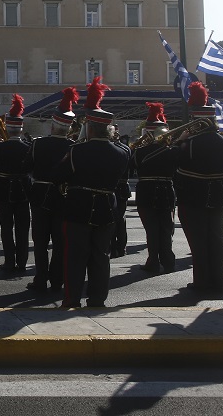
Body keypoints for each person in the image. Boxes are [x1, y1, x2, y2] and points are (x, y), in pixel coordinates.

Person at [55, 77, 130, 308]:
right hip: (107, 208)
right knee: (101, 256)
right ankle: (98, 299)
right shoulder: (122, 152)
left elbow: (60, 176)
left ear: (89, 126)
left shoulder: (77, 150)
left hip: (79, 206)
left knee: (75, 257)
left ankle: (72, 298)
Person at [174, 81, 223, 296]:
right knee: (217, 239)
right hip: (217, 195)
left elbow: (174, 163)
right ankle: (217, 282)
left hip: (193, 195)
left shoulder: (189, 143)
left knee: (198, 241)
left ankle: (201, 281)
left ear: (195, 119)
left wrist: (178, 142)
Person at [23, 86, 77, 292]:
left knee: (40, 241)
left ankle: (40, 278)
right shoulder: (74, 147)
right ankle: (57, 280)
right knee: (60, 241)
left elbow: (25, 167)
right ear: (69, 128)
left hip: (40, 196)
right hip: (64, 198)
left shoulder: (38, 145)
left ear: (53, 125)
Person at [131, 102, 178, 274]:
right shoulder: (172, 151)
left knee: (151, 229)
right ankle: (168, 260)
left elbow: (132, 166)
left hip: (147, 191)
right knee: (166, 228)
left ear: (148, 133)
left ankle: (153, 261)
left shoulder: (139, 152)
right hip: (166, 190)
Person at [0, 94, 32, 272]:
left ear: (7, 129)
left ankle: (9, 261)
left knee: (7, 228)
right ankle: (22, 262)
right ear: (21, 130)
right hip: (23, 191)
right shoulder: (29, 148)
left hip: (2, 191)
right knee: (22, 229)